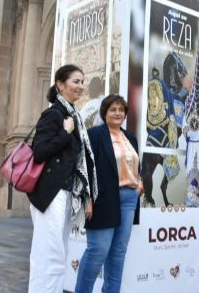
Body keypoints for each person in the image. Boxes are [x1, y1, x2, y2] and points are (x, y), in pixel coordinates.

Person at [27, 64, 98, 293]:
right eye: (76, 81)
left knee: (58, 257)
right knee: (48, 257)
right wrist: (65, 133)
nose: (81, 86)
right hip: (51, 194)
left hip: (67, 193)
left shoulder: (73, 116)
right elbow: (40, 151)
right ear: (60, 84)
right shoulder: (54, 115)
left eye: (82, 82)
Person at [75, 94, 142, 293]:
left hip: (129, 199)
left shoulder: (131, 138)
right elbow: (85, 167)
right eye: (113, 109)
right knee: (98, 250)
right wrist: (87, 198)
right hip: (103, 198)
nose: (117, 113)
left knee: (118, 253)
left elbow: (135, 165)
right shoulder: (95, 135)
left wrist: (139, 182)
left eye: (121, 110)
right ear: (104, 112)